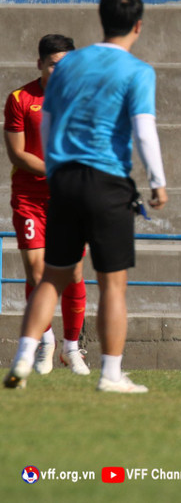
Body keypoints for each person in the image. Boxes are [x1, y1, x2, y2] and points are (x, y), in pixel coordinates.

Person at [4, 0, 168, 393]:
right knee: (112, 283)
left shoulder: (71, 66)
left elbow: (51, 120)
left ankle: (24, 356)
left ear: (100, 19)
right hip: (106, 181)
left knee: (51, 278)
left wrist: (59, 169)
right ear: (139, 25)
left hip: (64, 183)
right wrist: (158, 181)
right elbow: (144, 131)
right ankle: (111, 374)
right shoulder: (137, 70)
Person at [3, 34, 89, 377]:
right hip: (30, 198)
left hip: (70, 199)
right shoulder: (20, 99)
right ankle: (46, 342)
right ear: (40, 63)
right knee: (37, 273)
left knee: (74, 273)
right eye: (54, 63)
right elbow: (16, 153)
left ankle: (72, 347)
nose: (60, 70)